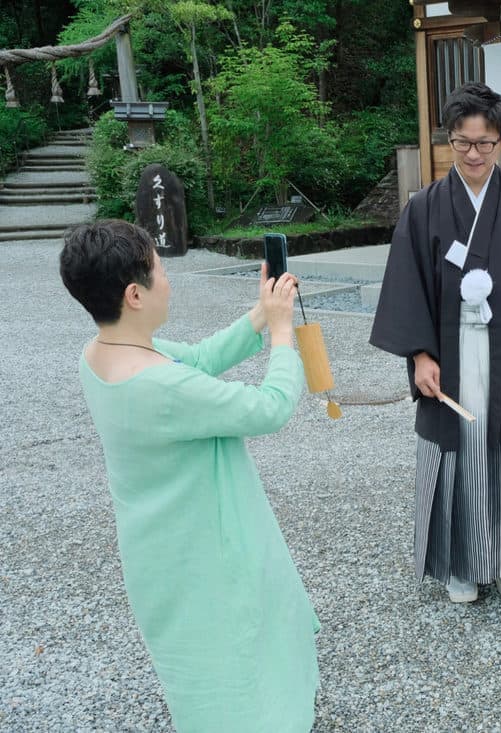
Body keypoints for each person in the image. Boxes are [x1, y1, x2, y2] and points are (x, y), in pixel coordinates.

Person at [59, 220, 319, 731]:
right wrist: (285, 335)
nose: (169, 280)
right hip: (208, 552)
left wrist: (262, 316)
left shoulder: (99, 355)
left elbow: (197, 359)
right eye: (160, 270)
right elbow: (269, 408)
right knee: (239, 653)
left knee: (198, 661)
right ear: (135, 294)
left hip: (160, 552)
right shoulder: (160, 385)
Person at [369, 82, 501, 603]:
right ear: (450, 140)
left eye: (485, 143)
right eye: (463, 143)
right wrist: (419, 355)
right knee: (459, 452)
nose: (474, 154)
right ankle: (459, 564)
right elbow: (409, 284)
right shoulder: (425, 206)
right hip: (450, 354)